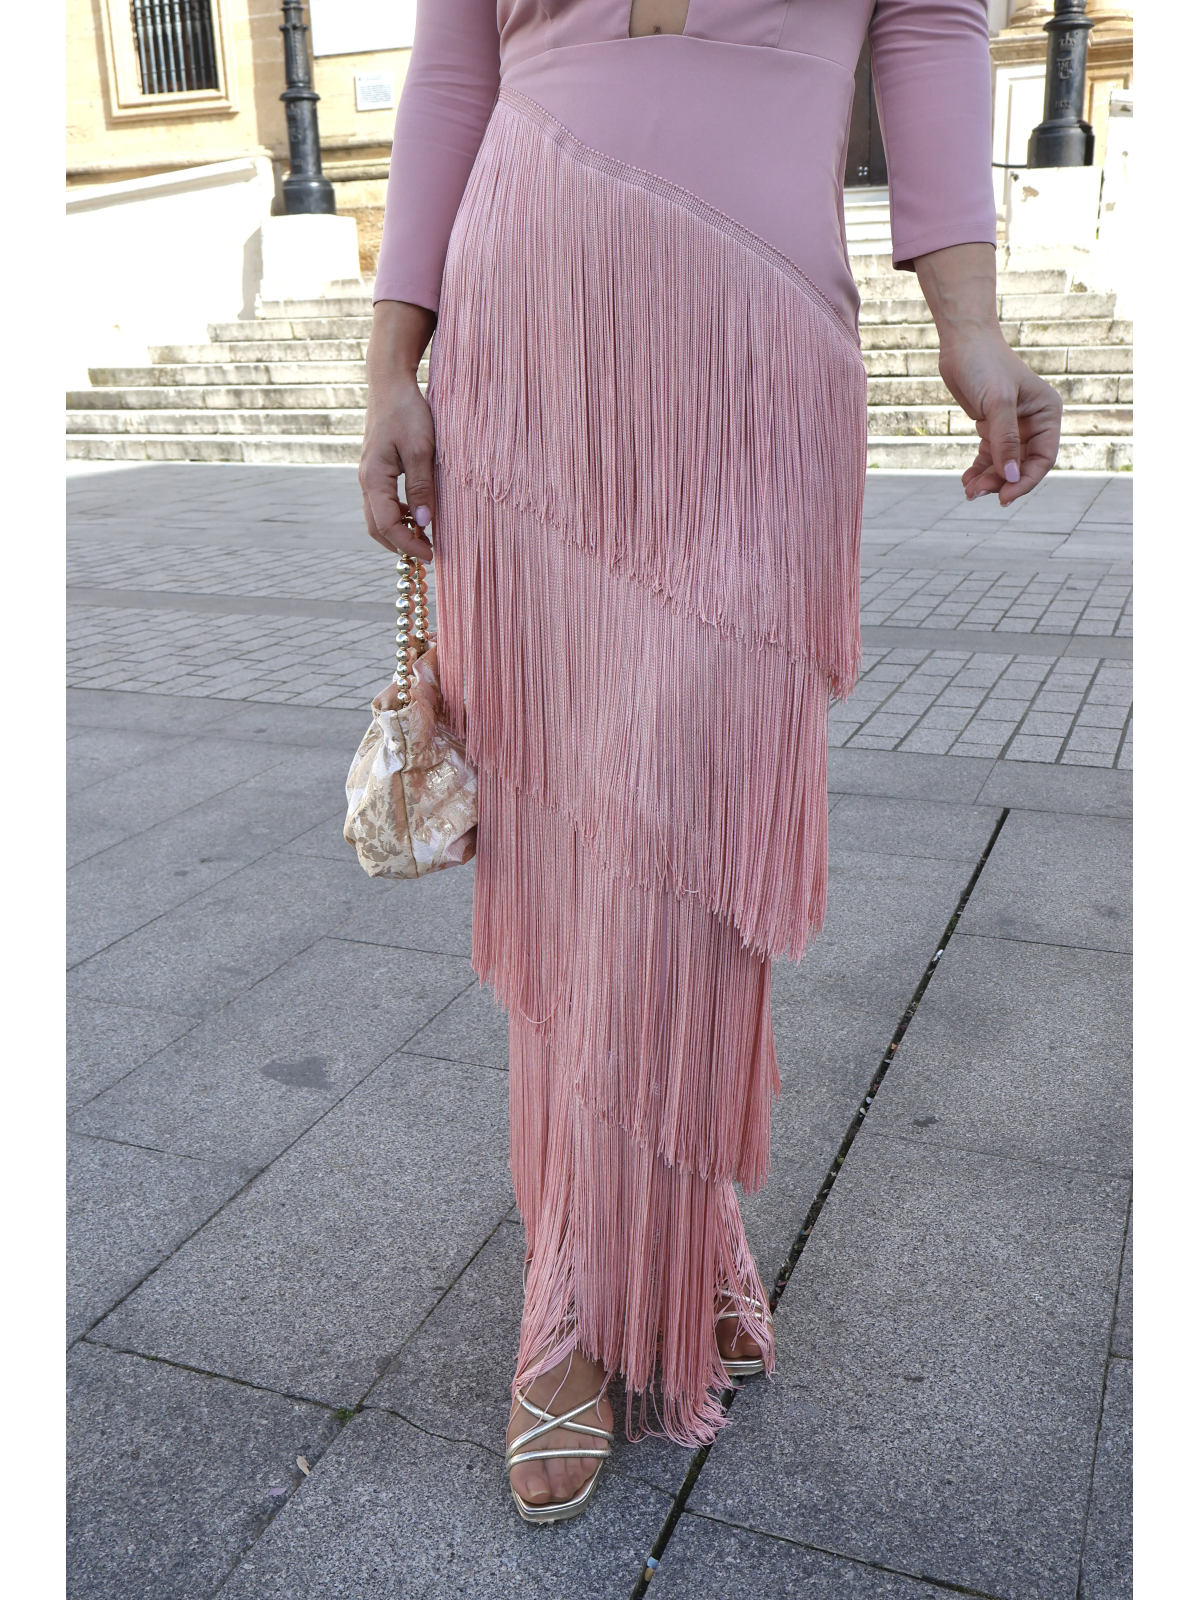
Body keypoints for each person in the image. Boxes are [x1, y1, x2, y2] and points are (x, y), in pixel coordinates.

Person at [358, 0, 1062, 1525]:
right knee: (566, 836)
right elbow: (454, 61)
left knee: (679, 835)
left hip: (752, 355)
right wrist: (390, 366)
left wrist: (971, 318)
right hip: (527, 344)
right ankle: (595, 1270)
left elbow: (933, 21)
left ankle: (651, 1233)